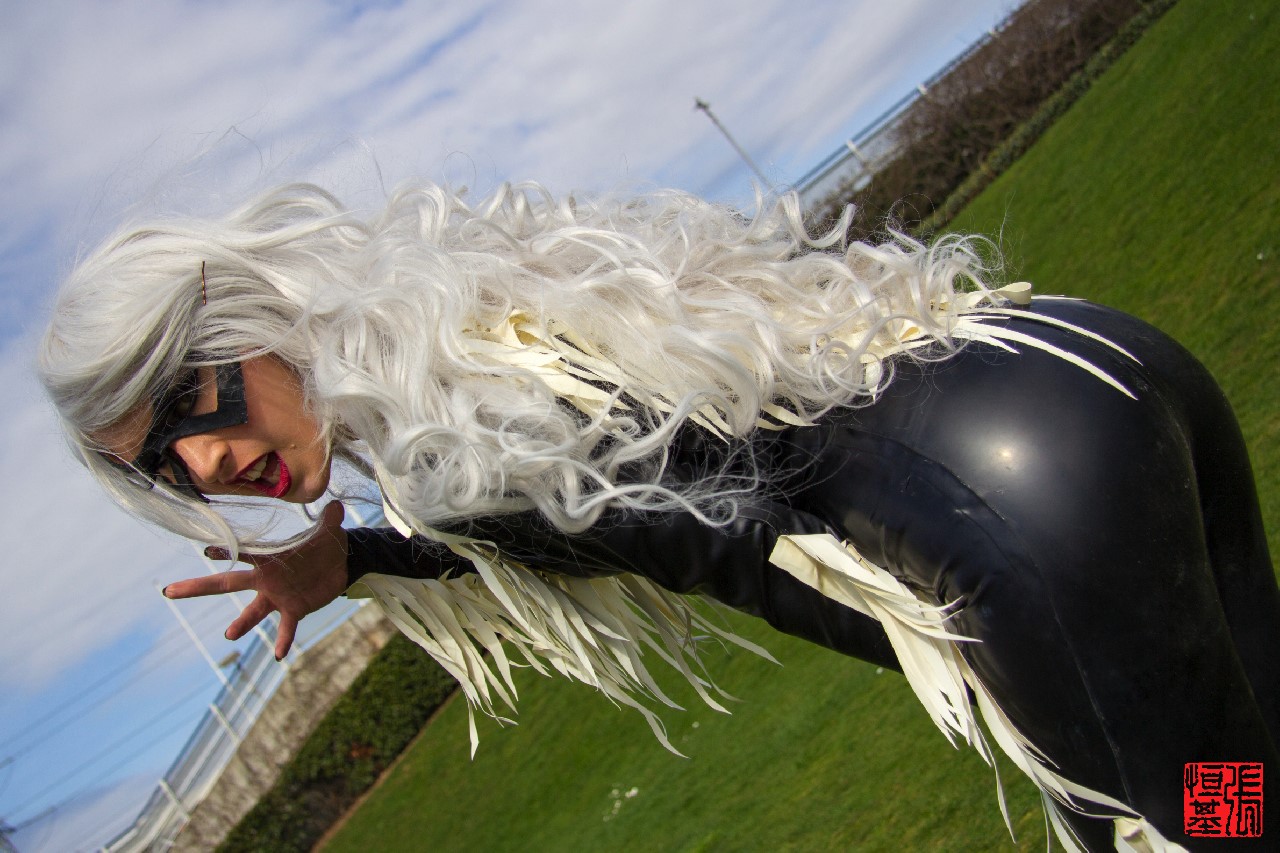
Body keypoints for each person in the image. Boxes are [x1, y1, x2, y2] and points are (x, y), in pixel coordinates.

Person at [40, 181, 1277, 851]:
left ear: (235, 324)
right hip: (1080, 367)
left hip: (1017, 514)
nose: (203, 459)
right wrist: (355, 554)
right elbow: (611, 506)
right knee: (1252, 762)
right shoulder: (464, 307)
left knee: (1195, 826)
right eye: (162, 466)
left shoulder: (439, 457)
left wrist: (361, 552)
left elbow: (627, 530)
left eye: (185, 399)